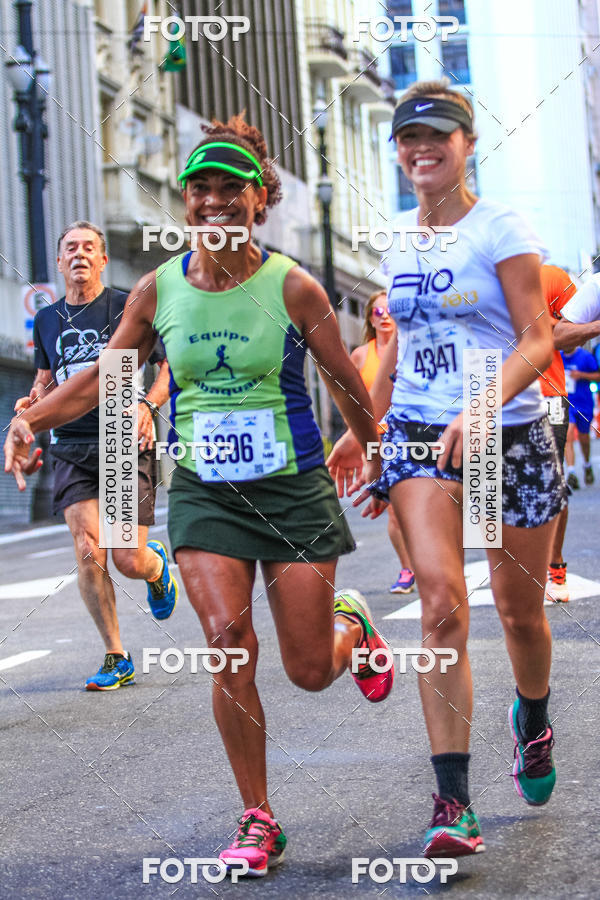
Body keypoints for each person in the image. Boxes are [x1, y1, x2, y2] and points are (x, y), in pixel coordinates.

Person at [4, 117, 393, 878]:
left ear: (258, 202)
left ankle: (353, 628)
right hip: (208, 496)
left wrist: (371, 449)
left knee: (310, 668)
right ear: (186, 204)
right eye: (201, 189)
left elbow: (346, 382)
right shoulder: (158, 289)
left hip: (291, 490)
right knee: (227, 644)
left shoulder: (294, 286)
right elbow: (99, 381)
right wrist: (29, 419)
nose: (215, 202)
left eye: (230, 190)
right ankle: (258, 816)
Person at [328, 81, 566, 858]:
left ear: (467, 144)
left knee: (519, 613)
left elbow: (537, 339)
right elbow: (396, 342)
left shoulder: (501, 227)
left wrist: (486, 406)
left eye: (437, 135)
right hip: (422, 430)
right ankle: (452, 802)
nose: (420, 148)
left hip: (507, 429)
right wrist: (361, 426)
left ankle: (532, 718)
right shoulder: (395, 238)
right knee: (441, 604)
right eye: (408, 138)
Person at [13, 221, 178, 691]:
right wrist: (33, 401)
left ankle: (156, 566)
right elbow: (45, 378)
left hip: (122, 438)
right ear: (60, 261)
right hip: (70, 445)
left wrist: (148, 404)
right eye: (70, 248)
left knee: (128, 558)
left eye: (89, 247)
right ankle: (115, 655)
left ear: (103, 259)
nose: (80, 254)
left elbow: (166, 366)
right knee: (89, 551)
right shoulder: (46, 320)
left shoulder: (127, 306)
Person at [351, 290, 416, 593]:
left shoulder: (409, 347)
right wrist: (354, 441)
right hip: (378, 438)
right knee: (393, 507)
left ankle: (427, 562)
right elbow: (352, 401)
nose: (385, 316)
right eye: (378, 312)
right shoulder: (361, 355)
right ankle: (408, 569)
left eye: (389, 310)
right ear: (370, 318)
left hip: (412, 434)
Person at [536, 266, 576, 602]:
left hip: (547, 395)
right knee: (489, 485)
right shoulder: (475, 276)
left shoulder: (551, 277)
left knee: (553, 482)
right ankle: (517, 569)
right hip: (488, 393)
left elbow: (573, 339)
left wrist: (535, 315)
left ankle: (555, 566)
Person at [561, 346, 600, 488]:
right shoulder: (557, 356)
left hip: (584, 403)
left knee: (584, 438)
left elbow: (598, 375)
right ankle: (571, 472)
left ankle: (587, 464)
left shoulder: (585, 356)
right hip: (566, 403)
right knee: (568, 433)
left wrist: (581, 375)